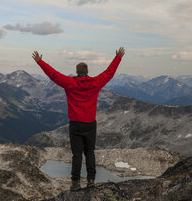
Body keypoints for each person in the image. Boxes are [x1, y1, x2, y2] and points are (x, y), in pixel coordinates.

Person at [32, 47, 125, 191]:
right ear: (87, 72)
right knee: (90, 153)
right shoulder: (95, 82)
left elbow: (53, 75)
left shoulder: (70, 83)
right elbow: (109, 73)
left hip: (75, 124)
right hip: (90, 124)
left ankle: (75, 183)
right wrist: (118, 57)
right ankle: (91, 181)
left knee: (76, 154)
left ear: (77, 72)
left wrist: (40, 62)